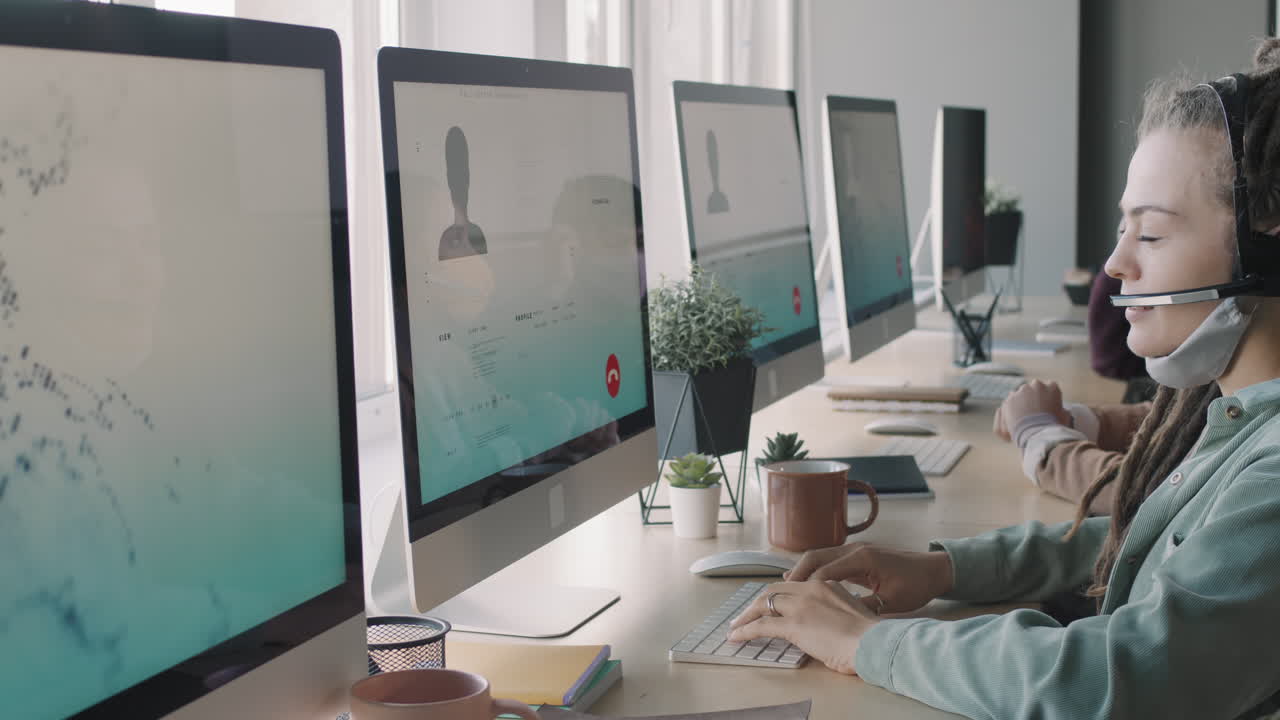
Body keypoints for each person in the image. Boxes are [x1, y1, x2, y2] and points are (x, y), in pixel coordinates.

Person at [727, 40, 1280, 719]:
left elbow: (1118, 679)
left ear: (1264, 249)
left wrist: (869, 641)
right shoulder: (1233, 416)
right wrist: (943, 569)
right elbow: (1145, 537)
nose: (1114, 265)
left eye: (1153, 236)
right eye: (1121, 228)